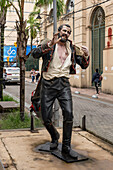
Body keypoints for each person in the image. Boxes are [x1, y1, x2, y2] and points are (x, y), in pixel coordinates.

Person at [30, 24, 90, 158]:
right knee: (46, 117)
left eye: (69, 32)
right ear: (58, 31)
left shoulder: (73, 48)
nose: (66, 34)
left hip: (63, 84)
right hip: (48, 84)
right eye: (64, 31)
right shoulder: (49, 43)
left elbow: (84, 65)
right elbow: (34, 54)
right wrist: (51, 43)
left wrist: (86, 54)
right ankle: (54, 136)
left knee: (68, 114)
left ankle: (67, 147)